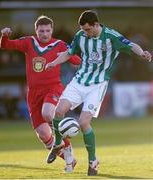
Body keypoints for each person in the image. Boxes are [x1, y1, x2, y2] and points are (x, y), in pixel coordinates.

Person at [45, 10, 152, 176]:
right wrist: (54, 62)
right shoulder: (81, 36)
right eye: (83, 29)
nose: (85, 32)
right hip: (79, 81)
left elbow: (131, 45)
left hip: (98, 85)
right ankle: (58, 143)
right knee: (58, 112)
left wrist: (142, 53)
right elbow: (69, 52)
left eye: (88, 29)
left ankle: (92, 161)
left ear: (96, 25)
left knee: (83, 122)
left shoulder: (111, 36)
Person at [0, 15, 81, 172]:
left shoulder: (59, 44)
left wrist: (72, 59)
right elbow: (6, 45)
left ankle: (65, 143)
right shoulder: (29, 42)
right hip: (34, 93)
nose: (45, 34)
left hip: (53, 88)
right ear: (36, 30)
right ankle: (69, 157)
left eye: (48, 30)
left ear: (52, 30)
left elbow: (75, 59)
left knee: (48, 113)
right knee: (43, 134)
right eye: (41, 31)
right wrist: (4, 35)